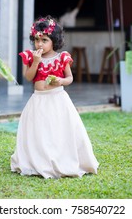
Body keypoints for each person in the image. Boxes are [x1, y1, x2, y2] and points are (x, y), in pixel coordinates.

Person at [11, 16, 99, 179]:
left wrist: (61, 81)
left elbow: (70, 78)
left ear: (54, 40)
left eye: (44, 40)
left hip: (57, 99)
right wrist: (36, 62)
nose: (39, 44)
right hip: (38, 100)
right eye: (37, 40)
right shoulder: (31, 57)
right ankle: (39, 159)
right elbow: (29, 77)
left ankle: (60, 157)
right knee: (39, 131)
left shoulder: (61, 57)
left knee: (57, 130)